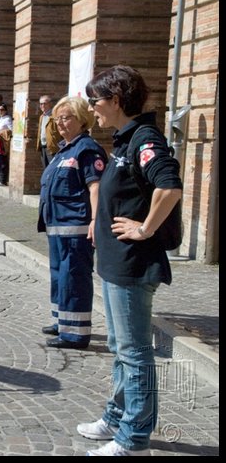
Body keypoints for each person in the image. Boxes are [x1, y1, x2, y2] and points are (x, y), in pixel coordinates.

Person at [77, 65, 183, 456]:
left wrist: (145, 228)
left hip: (132, 263)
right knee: (123, 348)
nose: (93, 108)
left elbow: (169, 185)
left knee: (134, 352)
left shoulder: (145, 138)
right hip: (115, 261)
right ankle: (116, 417)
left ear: (117, 100)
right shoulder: (125, 139)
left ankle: (133, 438)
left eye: (97, 100)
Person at [37, 96, 107, 350]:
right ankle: (62, 321)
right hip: (57, 227)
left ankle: (75, 334)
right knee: (59, 276)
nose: (60, 124)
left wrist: (94, 221)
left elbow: (95, 187)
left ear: (82, 120)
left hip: (75, 227)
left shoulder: (87, 149)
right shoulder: (64, 149)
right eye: (57, 120)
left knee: (73, 277)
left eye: (66, 118)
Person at [37, 95, 63, 169]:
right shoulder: (41, 117)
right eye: (41, 104)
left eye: (44, 103)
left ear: (50, 104)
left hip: (52, 148)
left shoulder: (55, 116)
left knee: (53, 169)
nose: (42, 105)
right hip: (43, 147)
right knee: (46, 169)